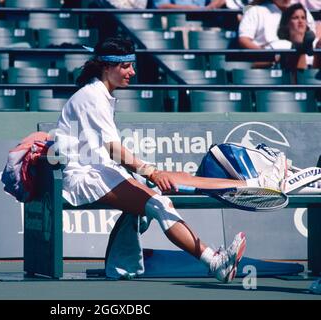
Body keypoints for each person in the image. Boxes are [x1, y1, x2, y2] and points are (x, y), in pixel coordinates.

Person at [52, 37, 288, 282]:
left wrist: (150, 174)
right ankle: (215, 262)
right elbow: (114, 149)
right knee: (159, 204)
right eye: (125, 66)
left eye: (132, 65)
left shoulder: (100, 94)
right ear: (106, 66)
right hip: (83, 178)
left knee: (180, 179)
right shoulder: (91, 97)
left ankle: (254, 184)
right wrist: (151, 173)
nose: (132, 72)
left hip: (102, 171)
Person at [277, 3, 321, 73]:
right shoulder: (280, 44)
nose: (300, 21)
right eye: (295, 18)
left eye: (303, 18)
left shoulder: (316, 44)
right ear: (287, 23)